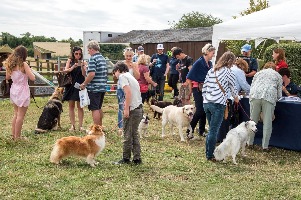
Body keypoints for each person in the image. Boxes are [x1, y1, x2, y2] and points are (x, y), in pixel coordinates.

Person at [202, 51, 239, 161]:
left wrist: (206, 98)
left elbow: (205, 86)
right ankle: (210, 155)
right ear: (231, 61)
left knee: (211, 129)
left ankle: (208, 152)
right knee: (214, 130)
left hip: (207, 102)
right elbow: (233, 90)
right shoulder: (229, 72)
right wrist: (236, 98)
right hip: (218, 103)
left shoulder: (211, 70)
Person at [113, 62, 143, 165]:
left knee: (127, 134)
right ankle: (137, 158)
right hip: (138, 108)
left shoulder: (122, 77)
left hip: (132, 109)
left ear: (118, 70)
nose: (115, 76)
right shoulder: (131, 76)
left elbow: (128, 93)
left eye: (114, 73)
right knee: (134, 134)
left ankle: (126, 158)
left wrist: (126, 109)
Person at [248, 61, 282, 151]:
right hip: (269, 97)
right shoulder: (277, 75)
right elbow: (279, 95)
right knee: (267, 123)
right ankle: (265, 146)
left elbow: (252, 87)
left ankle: (249, 142)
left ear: (265, 67)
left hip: (255, 95)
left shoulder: (258, 73)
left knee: (252, 121)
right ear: (274, 68)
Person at [5, 45, 35, 140]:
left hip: (14, 89)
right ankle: (17, 137)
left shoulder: (10, 64)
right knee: (20, 116)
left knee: (16, 114)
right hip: (22, 90)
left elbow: (7, 77)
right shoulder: (23, 64)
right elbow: (32, 78)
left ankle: (14, 135)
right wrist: (29, 71)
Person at [186, 43, 216, 138]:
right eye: (212, 53)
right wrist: (189, 92)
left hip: (206, 89)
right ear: (207, 52)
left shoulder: (210, 64)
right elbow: (189, 77)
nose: (213, 55)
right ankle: (189, 130)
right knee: (199, 110)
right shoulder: (199, 62)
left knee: (205, 110)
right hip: (197, 88)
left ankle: (201, 130)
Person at [80, 40, 108, 126]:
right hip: (102, 86)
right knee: (99, 107)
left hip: (94, 88)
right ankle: (100, 126)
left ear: (92, 49)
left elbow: (91, 74)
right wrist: (85, 68)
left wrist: (84, 83)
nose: (88, 52)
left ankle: (96, 129)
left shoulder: (93, 58)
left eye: (88, 50)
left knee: (94, 108)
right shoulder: (102, 58)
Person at [116, 47, 140, 136]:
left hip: (131, 88)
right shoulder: (121, 64)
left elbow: (137, 77)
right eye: (127, 56)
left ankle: (130, 125)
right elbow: (116, 76)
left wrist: (134, 68)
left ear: (132, 56)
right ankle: (121, 126)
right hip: (121, 88)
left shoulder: (135, 64)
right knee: (121, 107)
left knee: (131, 106)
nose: (128, 58)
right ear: (124, 56)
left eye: (130, 56)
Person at [63, 46, 86, 132]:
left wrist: (83, 66)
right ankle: (72, 125)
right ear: (73, 53)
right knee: (71, 106)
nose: (78, 55)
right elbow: (66, 71)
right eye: (76, 53)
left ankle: (80, 126)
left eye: (80, 54)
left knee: (80, 106)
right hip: (71, 85)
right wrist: (73, 67)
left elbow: (84, 74)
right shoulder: (70, 61)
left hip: (79, 85)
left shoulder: (83, 62)